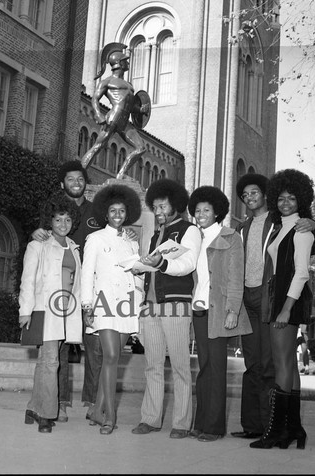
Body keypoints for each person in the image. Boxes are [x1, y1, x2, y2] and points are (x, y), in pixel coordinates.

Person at [231, 173, 315, 440]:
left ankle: (271, 426)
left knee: (270, 362)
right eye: (245, 195)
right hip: (246, 298)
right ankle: (253, 426)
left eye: (254, 192)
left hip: (269, 296)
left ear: (264, 194)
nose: (250, 198)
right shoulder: (243, 226)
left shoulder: (279, 220)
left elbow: (310, 241)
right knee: (251, 364)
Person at [250, 168, 315, 450]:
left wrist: (286, 309)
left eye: (291, 198)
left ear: (300, 199)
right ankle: (293, 429)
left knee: (282, 364)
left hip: (289, 298)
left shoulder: (302, 228)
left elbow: (302, 273)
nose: (285, 202)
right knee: (289, 364)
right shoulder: (282, 226)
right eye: (281, 198)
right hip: (280, 294)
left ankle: (276, 432)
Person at [31, 160, 102, 423]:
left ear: (86, 183)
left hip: (91, 287)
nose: (76, 183)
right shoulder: (56, 210)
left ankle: (93, 402)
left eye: (80, 179)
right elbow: (43, 239)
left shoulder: (98, 211)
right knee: (58, 346)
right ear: (63, 184)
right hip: (60, 288)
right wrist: (36, 231)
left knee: (94, 346)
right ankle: (58, 403)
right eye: (70, 179)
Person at [131, 179, 202, 439]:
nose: (158, 211)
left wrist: (161, 264)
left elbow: (188, 264)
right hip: (150, 306)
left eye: (163, 206)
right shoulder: (155, 234)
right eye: (155, 206)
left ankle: (182, 423)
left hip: (176, 304)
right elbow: (152, 269)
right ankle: (150, 419)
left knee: (181, 366)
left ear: (176, 204)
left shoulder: (189, 230)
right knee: (153, 365)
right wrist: (139, 267)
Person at [188, 186, 252, 442]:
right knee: (203, 368)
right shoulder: (195, 239)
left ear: (217, 213)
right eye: (197, 210)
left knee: (216, 368)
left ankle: (213, 428)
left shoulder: (230, 237)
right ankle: (200, 422)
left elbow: (237, 277)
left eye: (206, 210)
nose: (201, 214)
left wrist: (232, 310)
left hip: (219, 310)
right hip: (199, 309)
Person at [81, 184, 144, 434]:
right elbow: (87, 275)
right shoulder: (95, 239)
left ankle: (97, 410)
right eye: (112, 211)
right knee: (111, 357)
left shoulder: (131, 242)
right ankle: (110, 416)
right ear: (105, 215)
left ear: (126, 214)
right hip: (104, 304)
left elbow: (138, 275)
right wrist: (87, 305)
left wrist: (138, 304)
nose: (117, 215)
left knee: (114, 358)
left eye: (121, 211)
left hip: (127, 305)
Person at [19, 194, 82, 433]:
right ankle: (45, 414)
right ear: (50, 221)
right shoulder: (38, 245)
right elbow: (28, 280)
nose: (63, 224)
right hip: (45, 310)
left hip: (67, 312)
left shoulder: (75, 249)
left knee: (46, 361)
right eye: (58, 220)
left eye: (67, 219)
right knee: (51, 361)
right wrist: (25, 311)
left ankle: (33, 406)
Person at [81, 42, 150, 179]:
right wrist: (98, 114)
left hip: (125, 121)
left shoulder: (129, 85)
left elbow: (130, 105)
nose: (128, 63)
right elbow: (95, 98)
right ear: (119, 63)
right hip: (114, 117)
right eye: (125, 61)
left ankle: (121, 175)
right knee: (98, 147)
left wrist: (140, 109)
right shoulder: (107, 82)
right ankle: (80, 174)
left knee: (141, 148)